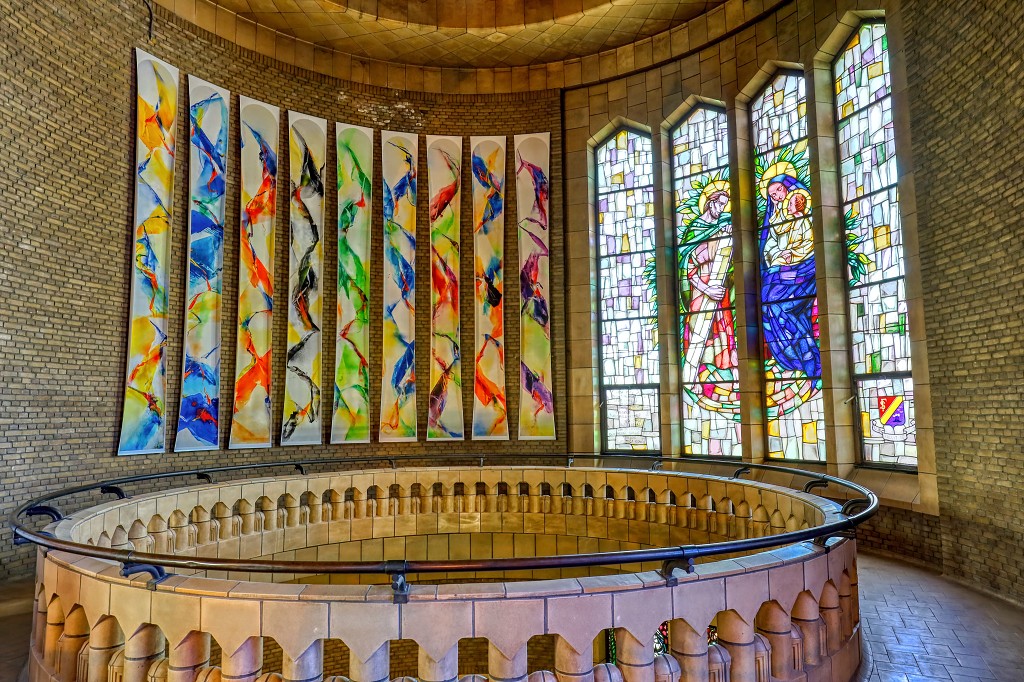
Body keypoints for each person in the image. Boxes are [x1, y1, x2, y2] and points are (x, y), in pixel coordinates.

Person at [759, 172, 821, 378]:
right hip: (782, 266)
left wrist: (792, 254)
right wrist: (779, 255)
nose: (776, 196)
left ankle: (805, 356)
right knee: (770, 304)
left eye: (778, 190)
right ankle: (797, 356)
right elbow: (769, 245)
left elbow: (810, 242)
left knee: (777, 304)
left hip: (805, 268)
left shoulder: (803, 213)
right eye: (772, 194)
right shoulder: (775, 216)